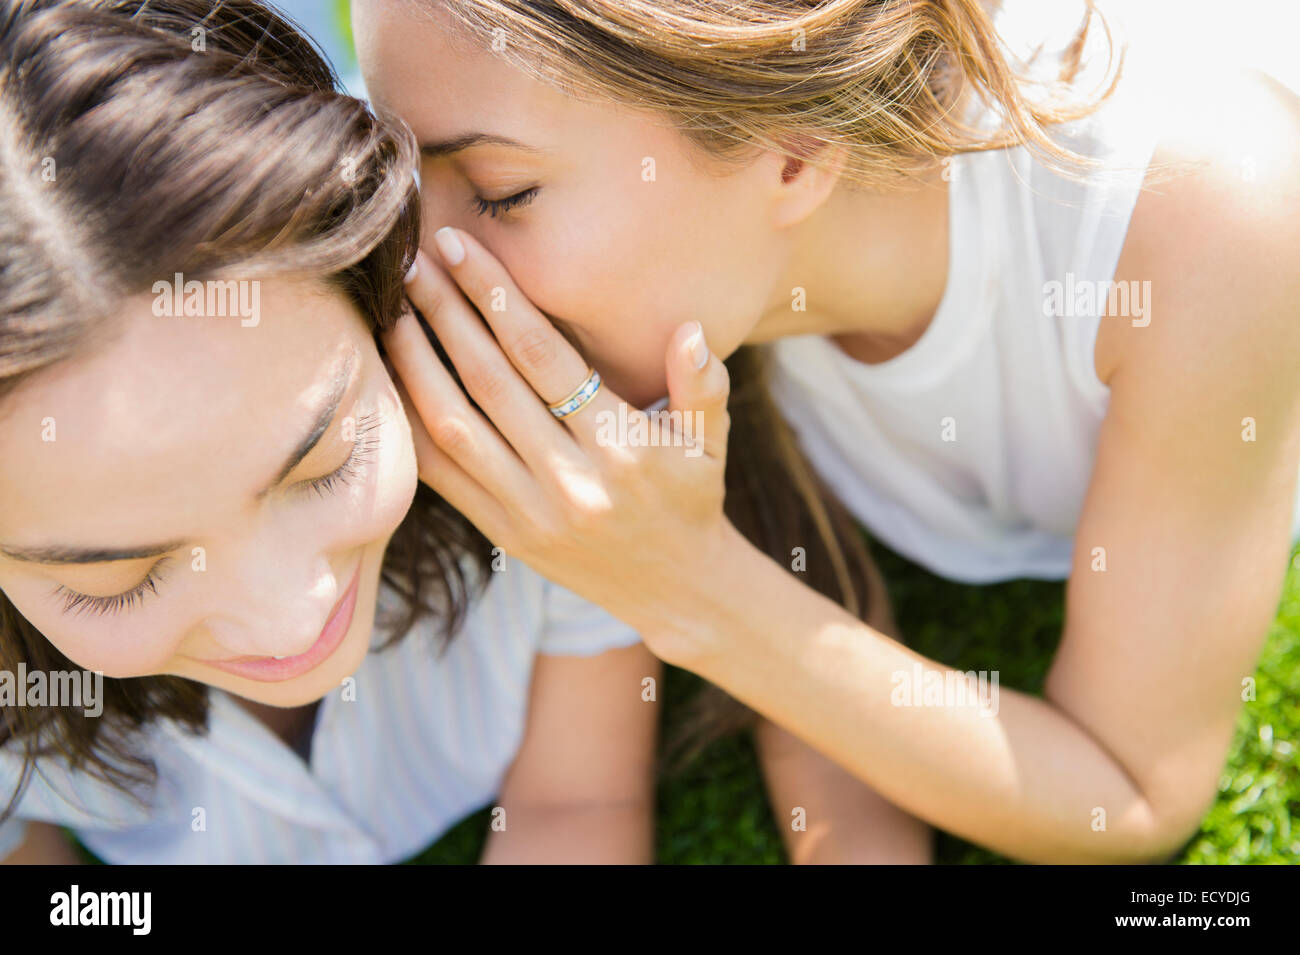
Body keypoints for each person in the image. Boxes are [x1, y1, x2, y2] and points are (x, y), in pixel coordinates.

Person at [357, 0, 1300, 862]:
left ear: (796, 149)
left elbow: (1128, 791)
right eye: (403, 190)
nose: (424, 272)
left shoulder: (1199, 215)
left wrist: (686, 583)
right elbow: (830, 696)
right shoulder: (700, 303)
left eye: (501, 191)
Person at [0, 0, 658, 865]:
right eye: (120, 579)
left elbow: (574, 800)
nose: (289, 618)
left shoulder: (545, 426)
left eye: (324, 464)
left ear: (380, 290)